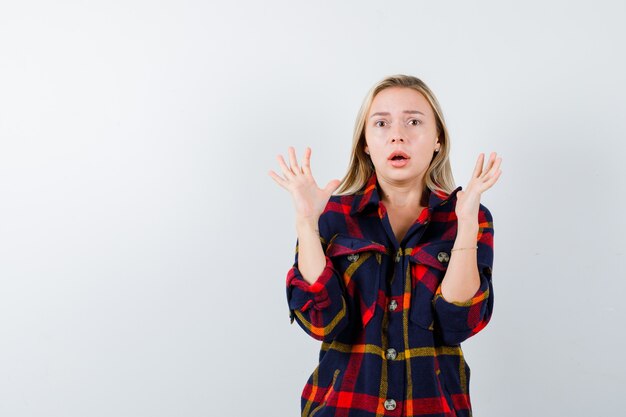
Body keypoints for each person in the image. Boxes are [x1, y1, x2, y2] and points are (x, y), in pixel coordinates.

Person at [268, 74, 502, 417]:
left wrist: (466, 226)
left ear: (438, 139)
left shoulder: (468, 216)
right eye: (381, 123)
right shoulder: (330, 215)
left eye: (414, 121)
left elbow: (458, 325)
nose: (398, 134)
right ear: (365, 141)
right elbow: (323, 323)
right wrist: (306, 221)